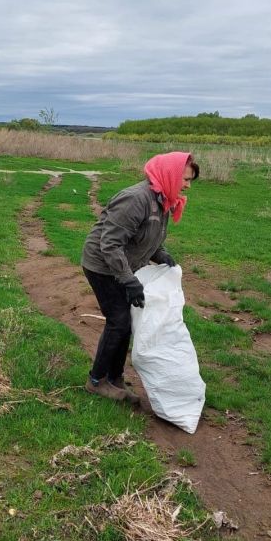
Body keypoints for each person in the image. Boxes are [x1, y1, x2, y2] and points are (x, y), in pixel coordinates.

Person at [81, 151, 199, 404]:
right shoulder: (136, 199)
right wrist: (128, 280)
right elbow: (110, 244)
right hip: (102, 265)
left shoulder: (164, 200)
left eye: (190, 181)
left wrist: (161, 255)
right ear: (170, 175)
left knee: (126, 323)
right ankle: (96, 381)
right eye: (186, 179)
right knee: (119, 321)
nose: (188, 185)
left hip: (123, 264)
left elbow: (145, 237)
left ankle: (115, 378)